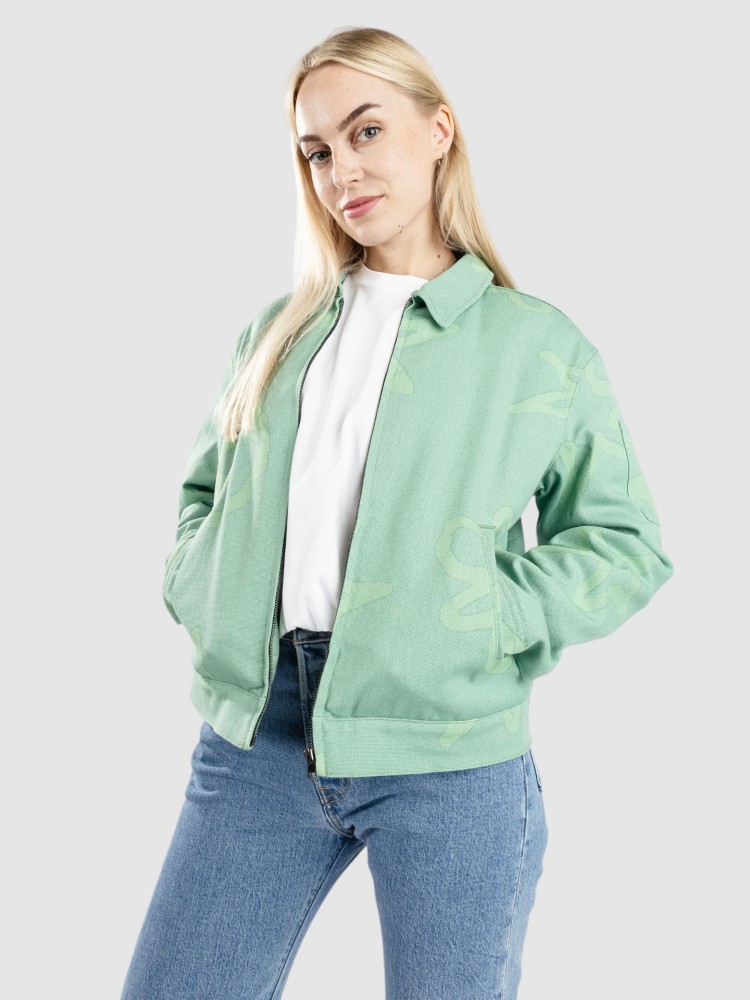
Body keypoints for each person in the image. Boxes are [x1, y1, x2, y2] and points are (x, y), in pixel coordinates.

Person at [121, 25, 674, 1000]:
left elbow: (624, 544)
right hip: (259, 735)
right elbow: (204, 495)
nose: (343, 170)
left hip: (449, 749)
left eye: (367, 131)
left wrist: (482, 613)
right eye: (317, 151)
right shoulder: (277, 332)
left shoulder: (535, 346)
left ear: (439, 131)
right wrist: (200, 583)